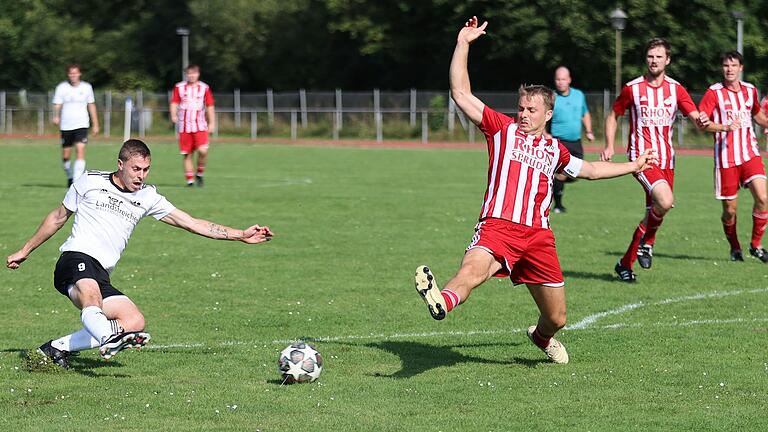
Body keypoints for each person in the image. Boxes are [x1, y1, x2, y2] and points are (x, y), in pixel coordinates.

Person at [414, 16, 658, 364]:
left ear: (547, 113)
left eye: (531, 109)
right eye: (521, 108)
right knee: (471, 272)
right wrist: (463, 44)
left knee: (558, 318)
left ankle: (541, 338)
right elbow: (461, 93)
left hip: (538, 238)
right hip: (497, 225)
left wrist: (632, 166)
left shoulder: (555, 150)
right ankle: (442, 300)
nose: (524, 114)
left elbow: (589, 170)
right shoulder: (501, 129)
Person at [6, 139, 273, 369]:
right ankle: (108, 339)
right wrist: (25, 250)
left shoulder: (148, 197)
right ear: (120, 164)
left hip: (102, 272)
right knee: (92, 297)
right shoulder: (90, 181)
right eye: (136, 169)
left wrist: (240, 234)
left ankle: (54, 348)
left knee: (134, 322)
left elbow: (191, 223)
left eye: (146, 170)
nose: (141, 175)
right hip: (76, 258)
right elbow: (57, 217)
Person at [602, 38, 708, 282]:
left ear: (667, 60)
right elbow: (612, 115)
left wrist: (702, 121)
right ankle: (647, 242)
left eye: (659, 56)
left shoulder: (676, 89)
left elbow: (694, 117)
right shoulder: (633, 88)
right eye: (650, 56)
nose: (654, 60)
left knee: (656, 210)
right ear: (646, 59)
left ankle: (625, 264)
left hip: (667, 161)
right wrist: (609, 144)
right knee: (665, 200)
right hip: (643, 159)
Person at [698, 51, 768, 262]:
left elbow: (757, 115)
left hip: (749, 153)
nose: (729, 69)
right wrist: (724, 127)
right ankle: (735, 247)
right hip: (725, 158)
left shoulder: (750, 90)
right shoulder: (713, 93)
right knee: (730, 210)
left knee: (763, 198)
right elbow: (702, 123)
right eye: (726, 65)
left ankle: (756, 245)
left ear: (741, 68)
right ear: (722, 68)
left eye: (733, 65)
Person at [550, 66, 595, 213]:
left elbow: (585, 113)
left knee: (576, 173)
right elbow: (542, 118)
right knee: (561, 173)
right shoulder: (551, 97)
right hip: (558, 141)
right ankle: (558, 205)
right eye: (558, 79)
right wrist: (545, 135)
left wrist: (588, 131)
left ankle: (553, 188)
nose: (560, 82)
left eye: (563, 79)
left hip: (576, 142)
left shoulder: (578, 95)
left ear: (569, 80)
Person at [52, 64, 100, 187]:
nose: (73, 75)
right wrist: (56, 115)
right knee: (66, 155)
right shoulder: (62, 88)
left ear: (79, 74)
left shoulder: (87, 87)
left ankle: (76, 181)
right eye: (71, 73)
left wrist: (95, 124)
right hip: (66, 126)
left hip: (82, 124)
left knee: (80, 149)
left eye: (75, 73)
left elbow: (91, 105)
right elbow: (57, 104)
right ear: (68, 75)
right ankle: (69, 175)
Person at [170, 64, 216, 187]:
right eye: (189, 73)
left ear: (198, 74)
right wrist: (173, 115)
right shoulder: (179, 87)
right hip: (184, 127)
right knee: (187, 154)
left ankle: (199, 173)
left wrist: (212, 123)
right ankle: (190, 181)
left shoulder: (204, 88)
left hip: (200, 126)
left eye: (194, 73)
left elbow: (210, 106)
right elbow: (174, 102)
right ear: (187, 74)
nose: (192, 75)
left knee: (203, 151)